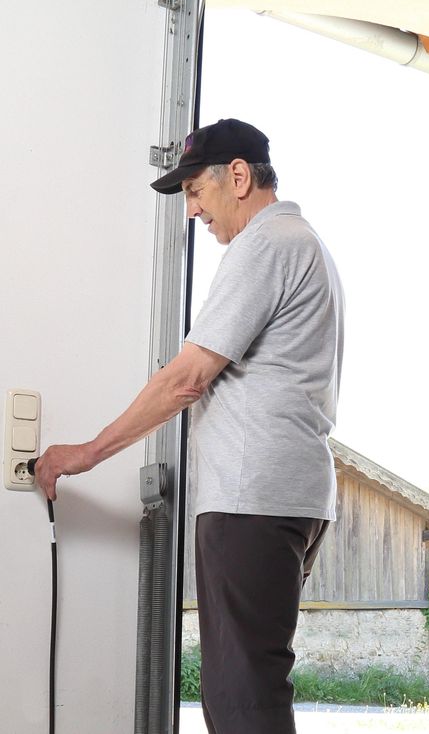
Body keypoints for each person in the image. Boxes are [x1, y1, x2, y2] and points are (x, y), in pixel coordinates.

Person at [33, 118, 345, 734]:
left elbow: (186, 378)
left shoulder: (268, 244)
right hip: (289, 494)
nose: (193, 211)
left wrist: (86, 454)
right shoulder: (305, 244)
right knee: (253, 683)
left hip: (251, 496)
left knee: (241, 697)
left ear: (238, 175)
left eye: (196, 193)